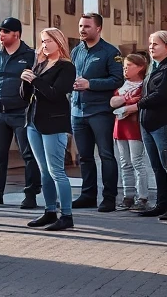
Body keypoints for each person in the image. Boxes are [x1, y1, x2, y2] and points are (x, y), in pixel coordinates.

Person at [20, 27, 77, 231]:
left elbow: (54, 94)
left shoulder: (66, 67)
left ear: (59, 42)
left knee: (56, 171)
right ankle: (50, 211)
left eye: (48, 41)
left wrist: (35, 80)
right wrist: (27, 79)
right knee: (44, 171)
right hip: (34, 122)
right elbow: (26, 97)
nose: (44, 45)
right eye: (42, 41)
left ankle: (67, 215)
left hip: (54, 122)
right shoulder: (40, 65)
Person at [70, 13, 124, 212]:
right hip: (78, 112)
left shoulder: (110, 52)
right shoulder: (76, 51)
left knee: (106, 155)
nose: (82, 30)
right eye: (81, 26)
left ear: (98, 28)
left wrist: (90, 84)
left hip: (100, 111)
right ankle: (88, 195)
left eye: (86, 26)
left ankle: (109, 198)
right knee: (84, 157)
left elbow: (117, 80)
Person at [0, 17, 42, 209]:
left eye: (6, 31)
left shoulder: (31, 55)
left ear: (16, 34)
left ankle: (31, 194)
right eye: (0, 30)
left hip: (21, 113)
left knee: (28, 154)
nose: (1, 34)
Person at [136, 30, 167, 220]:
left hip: (163, 123)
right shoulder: (153, 67)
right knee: (156, 166)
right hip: (147, 123)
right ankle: (162, 203)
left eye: (155, 44)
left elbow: (162, 94)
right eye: (150, 44)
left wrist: (136, 105)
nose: (151, 47)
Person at [109, 52, 152, 212]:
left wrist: (124, 101)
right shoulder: (123, 85)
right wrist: (123, 101)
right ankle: (128, 195)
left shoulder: (143, 86)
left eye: (129, 66)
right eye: (124, 67)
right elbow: (113, 101)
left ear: (140, 67)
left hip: (134, 128)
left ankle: (142, 197)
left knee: (137, 162)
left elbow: (139, 101)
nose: (125, 70)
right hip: (120, 127)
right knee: (125, 162)